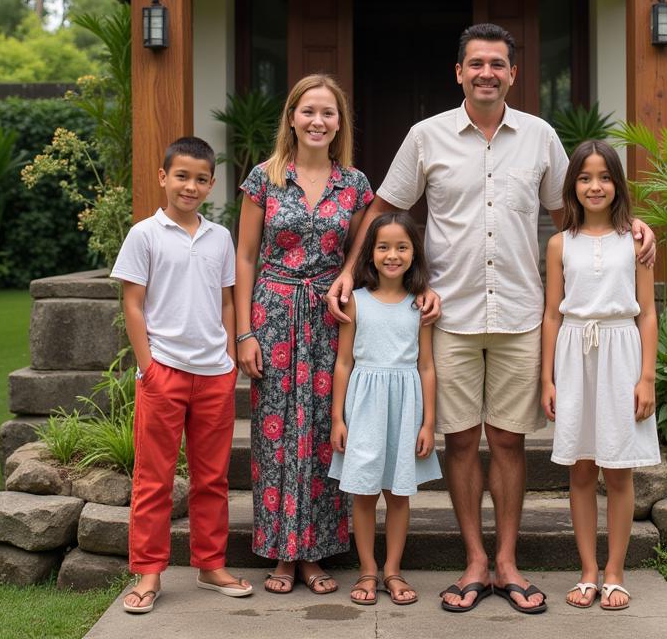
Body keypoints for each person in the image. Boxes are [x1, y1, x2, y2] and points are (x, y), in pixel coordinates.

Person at [328, 23, 656, 614]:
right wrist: (353, 270)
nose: (486, 73)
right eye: (475, 63)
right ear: (459, 72)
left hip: (521, 313)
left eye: (497, 64)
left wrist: (633, 227)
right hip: (446, 314)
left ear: (512, 73)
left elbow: (576, 208)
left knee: (507, 441)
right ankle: (474, 561)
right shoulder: (425, 136)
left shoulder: (540, 137)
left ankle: (507, 562)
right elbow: (384, 205)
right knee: (459, 442)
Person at [234, 75, 375, 595]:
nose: (318, 122)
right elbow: (245, 257)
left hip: (329, 318)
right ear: (291, 117)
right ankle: (280, 555)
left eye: (329, 113)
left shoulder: (355, 185)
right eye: (309, 112)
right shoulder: (263, 179)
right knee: (274, 435)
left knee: (323, 433)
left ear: (340, 124)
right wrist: (244, 331)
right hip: (272, 316)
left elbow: (361, 255)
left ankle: (314, 555)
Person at [112, 136, 250, 615]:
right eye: (182, 176)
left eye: (200, 179)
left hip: (215, 373)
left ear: (211, 184)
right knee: (155, 479)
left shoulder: (220, 237)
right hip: (164, 371)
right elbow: (132, 302)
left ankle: (211, 565)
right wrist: (148, 367)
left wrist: (230, 358)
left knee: (211, 478)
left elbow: (229, 300)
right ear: (163, 177)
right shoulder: (144, 235)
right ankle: (149, 573)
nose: (190, 186)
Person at [540, 139, 660, 612]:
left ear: (617, 184)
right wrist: (547, 378)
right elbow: (552, 313)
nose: (595, 186)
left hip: (621, 353)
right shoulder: (559, 243)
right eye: (585, 178)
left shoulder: (634, 240)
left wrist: (647, 377)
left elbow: (647, 313)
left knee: (618, 468)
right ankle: (588, 570)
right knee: (581, 468)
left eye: (604, 177)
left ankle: (615, 571)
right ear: (573, 185)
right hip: (573, 353)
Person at [329, 211, 442, 607]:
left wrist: (428, 422)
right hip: (364, 405)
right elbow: (343, 363)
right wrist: (337, 418)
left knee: (398, 493)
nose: (392, 255)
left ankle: (393, 570)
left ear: (414, 253)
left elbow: (427, 366)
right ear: (370, 254)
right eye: (383, 247)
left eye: (401, 247)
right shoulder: (356, 301)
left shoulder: (420, 305)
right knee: (362, 492)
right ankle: (367, 569)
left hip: (405, 404)